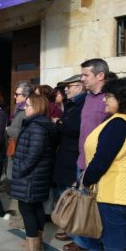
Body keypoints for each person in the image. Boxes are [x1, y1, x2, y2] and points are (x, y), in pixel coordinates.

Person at [64, 58, 110, 251]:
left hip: (101, 168)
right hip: (81, 162)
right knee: (83, 210)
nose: (82, 79)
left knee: (99, 214)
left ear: (100, 76)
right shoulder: (87, 98)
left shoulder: (110, 99)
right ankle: (83, 243)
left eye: (85, 75)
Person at [82, 78, 126, 251]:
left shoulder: (118, 124)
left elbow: (101, 161)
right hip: (117, 194)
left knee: (114, 245)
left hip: (113, 196)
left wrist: (86, 181)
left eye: (108, 95)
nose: (104, 99)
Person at [11, 94, 55, 251]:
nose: (24, 107)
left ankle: (32, 246)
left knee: (27, 209)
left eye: (28, 105)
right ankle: (37, 242)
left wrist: (21, 169)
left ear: (37, 107)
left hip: (31, 177)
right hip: (36, 176)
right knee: (36, 208)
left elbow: (33, 154)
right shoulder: (38, 124)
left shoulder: (36, 127)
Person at [53, 75, 86, 242]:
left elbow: (74, 128)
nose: (66, 89)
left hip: (72, 155)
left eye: (69, 86)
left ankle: (74, 234)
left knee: (70, 194)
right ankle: (68, 229)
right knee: (64, 193)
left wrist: (58, 123)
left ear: (79, 87)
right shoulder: (72, 104)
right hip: (65, 154)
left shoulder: (81, 105)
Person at [6, 81, 34, 229]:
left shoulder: (26, 113)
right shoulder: (19, 109)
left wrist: (8, 129)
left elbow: (21, 133)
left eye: (17, 94)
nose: (14, 97)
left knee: (19, 186)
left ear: (26, 96)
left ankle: (21, 220)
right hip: (15, 150)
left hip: (20, 152)